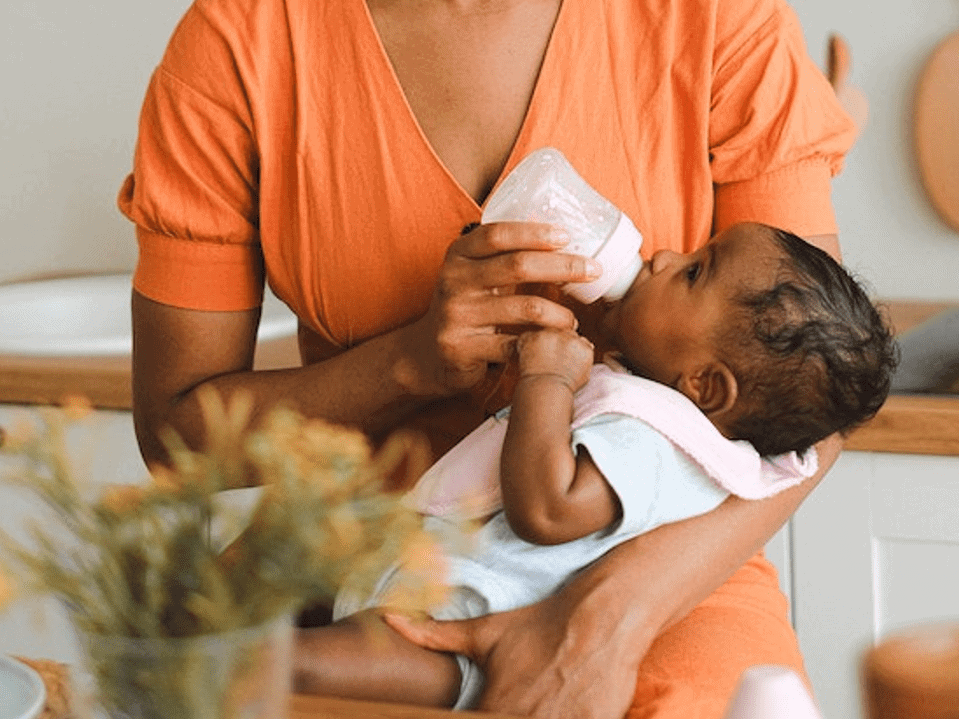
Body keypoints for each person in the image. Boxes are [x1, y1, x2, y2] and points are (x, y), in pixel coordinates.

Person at [119, 0, 858, 715]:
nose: (670, 259)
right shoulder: (242, 42)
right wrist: (407, 363)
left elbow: (818, 400)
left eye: (695, 268)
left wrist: (604, 622)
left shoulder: (716, 16)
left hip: (661, 559)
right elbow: (175, 435)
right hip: (363, 563)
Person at [292, 221, 897, 710]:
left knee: (302, 663)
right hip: (417, 581)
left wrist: (546, 378)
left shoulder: (658, 443)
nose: (661, 256)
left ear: (707, 386)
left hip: (464, 633)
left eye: (693, 272)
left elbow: (549, 510)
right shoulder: (655, 407)